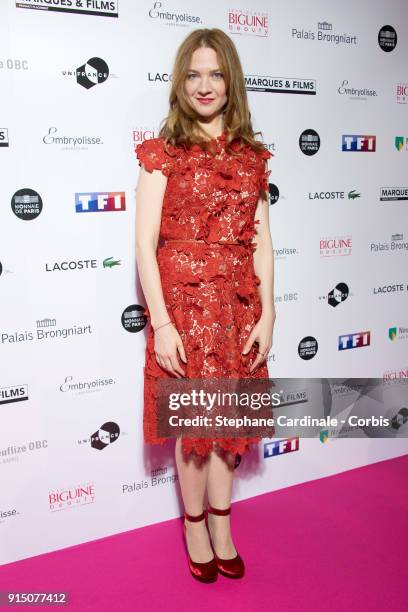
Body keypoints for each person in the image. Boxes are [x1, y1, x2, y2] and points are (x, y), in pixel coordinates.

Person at [135, 28, 276, 583]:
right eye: (193, 73)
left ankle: (222, 523)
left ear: (231, 80)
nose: (205, 84)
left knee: (228, 429)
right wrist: (162, 323)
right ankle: (194, 526)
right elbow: (145, 245)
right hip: (185, 315)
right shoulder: (161, 152)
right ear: (180, 81)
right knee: (194, 434)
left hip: (238, 311)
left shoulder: (252, 158)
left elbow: (262, 242)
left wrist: (269, 313)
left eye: (216, 73)